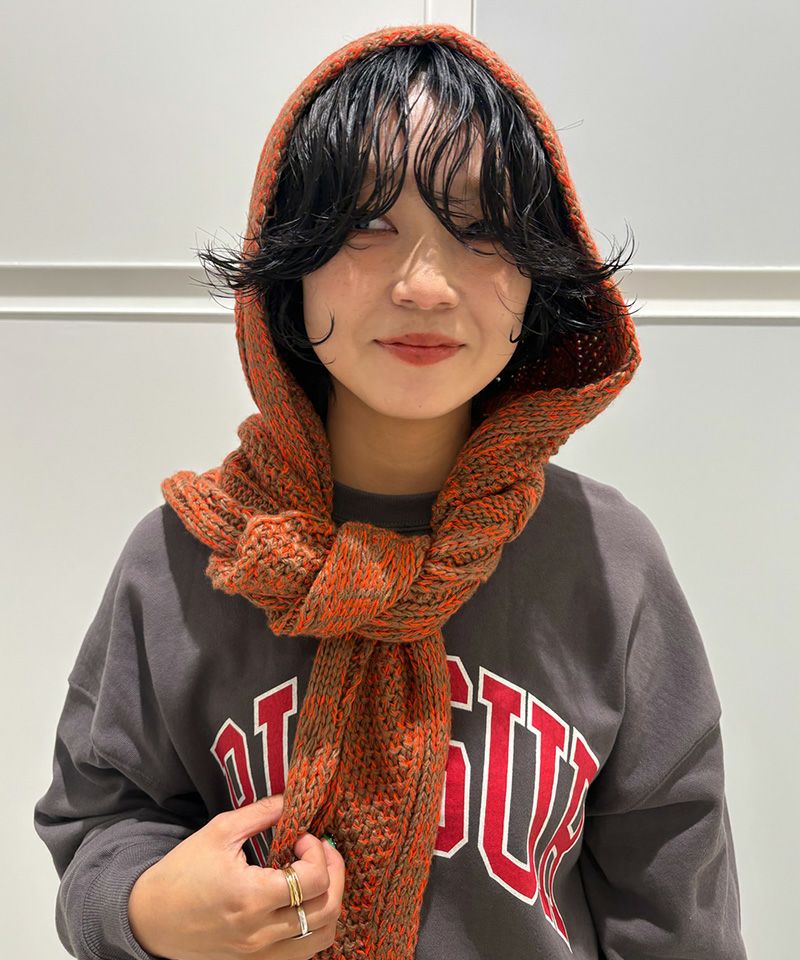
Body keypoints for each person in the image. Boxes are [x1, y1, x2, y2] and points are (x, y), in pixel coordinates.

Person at [33, 21, 748, 960]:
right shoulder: (185, 556)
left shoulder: (609, 562)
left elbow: (676, 901)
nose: (425, 285)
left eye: (482, 231)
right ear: (290, 261)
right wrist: (148, 909)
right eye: (368, 224)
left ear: (539, 273)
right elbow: (96, 824)